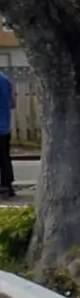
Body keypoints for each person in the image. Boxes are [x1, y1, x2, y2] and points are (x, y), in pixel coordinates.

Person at [0, 66, 15, 199]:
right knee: (4, 157)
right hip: (4, 125)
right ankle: (7, 185)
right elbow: (12, 103)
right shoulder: (5, 80)